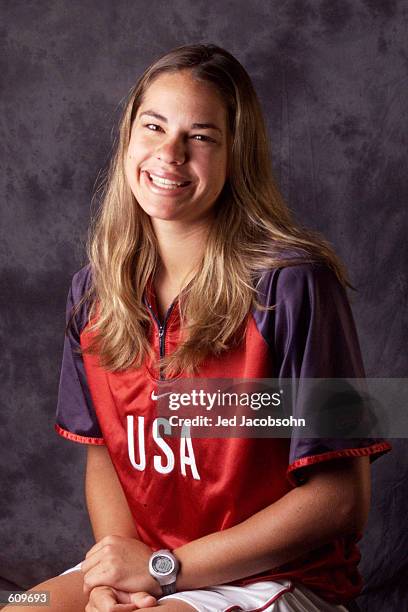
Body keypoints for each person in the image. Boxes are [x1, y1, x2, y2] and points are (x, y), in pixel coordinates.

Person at [8, 44, 391, 612]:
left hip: (272, 577)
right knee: (20, 606)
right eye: (154, 126)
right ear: (128, 138)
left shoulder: (295, 285)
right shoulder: (93, 291)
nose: (170, 153)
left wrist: (166, 571)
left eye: (202, 136)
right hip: (150, 565)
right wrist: (116, 577)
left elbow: (342, 502)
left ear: (237, 155)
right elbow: (105, 455)